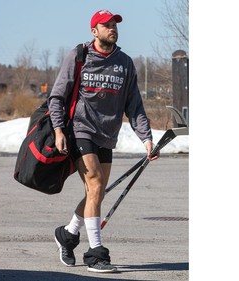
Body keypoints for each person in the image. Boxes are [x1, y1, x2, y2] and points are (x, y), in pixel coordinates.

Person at [48, 9, 159, 273]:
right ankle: (96, 253)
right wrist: (59, 130)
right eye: (106, 25)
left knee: (94, 193)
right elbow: (57, 96)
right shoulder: (79, 56)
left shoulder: (125, 63)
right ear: (94, 31)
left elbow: (135, 106)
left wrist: (146, 138)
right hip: (81, 130)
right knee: (96, 184)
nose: (112, 28)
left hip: (107, 135)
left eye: (115, 25)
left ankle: (67, 233)